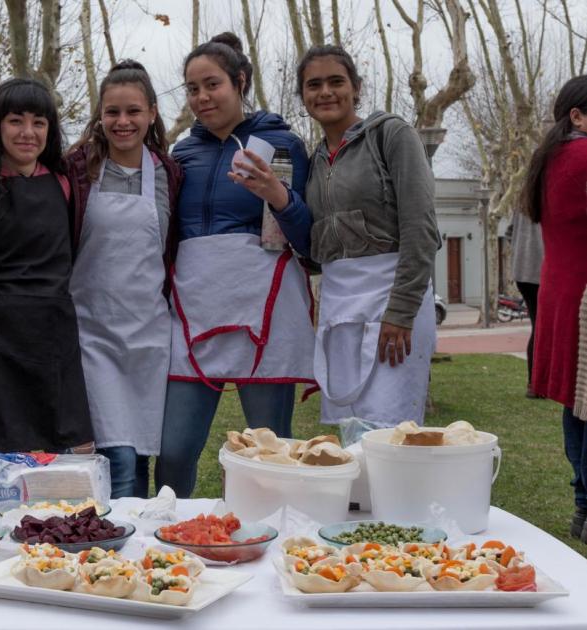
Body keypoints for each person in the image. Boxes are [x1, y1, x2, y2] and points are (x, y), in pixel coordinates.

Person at [155, 33, 316, 498]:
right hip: (194, 306)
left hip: (264, 305)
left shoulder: (284, 145)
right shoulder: (182, 152)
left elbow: (308, 241)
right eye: (191, 88)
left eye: (212, 85)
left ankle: (278, 539)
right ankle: (170, 533)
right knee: (174, 450)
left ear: (240, 81)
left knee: (271, 451)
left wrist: (279, 197)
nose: (202, 98)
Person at [295, 45, 439, 426]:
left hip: (392, 304)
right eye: (314, 85)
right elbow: (316, 248)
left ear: (356, 88)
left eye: (336, 81)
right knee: (345, 429)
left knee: (389, 432)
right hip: (338, 307)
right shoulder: (313, 163)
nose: (325, 92)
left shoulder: (391, 135)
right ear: (303, 96)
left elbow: (421, 230)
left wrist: (401, 312)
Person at [0, 78, 94, 454]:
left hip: (57, 343)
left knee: (76, 469)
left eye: (39, 122)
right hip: (0, 350)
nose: (28, 132)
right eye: (16, 120)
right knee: (8, 480)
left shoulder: (64, 185)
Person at [66, 61, 183, 498]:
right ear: (100, 116)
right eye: (112, 112)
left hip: (149, 333)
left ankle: (130, 549)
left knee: (139, 450)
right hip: (90, 330)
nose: (123, 122)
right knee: (113, 451)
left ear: (152, 113)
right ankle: (114, 540)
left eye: (133, 111)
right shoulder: (78, 170)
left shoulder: (169, 175)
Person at [521, 75, 587, 541]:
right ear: (578, 115)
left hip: (564, 290)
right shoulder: (583, 156)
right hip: (584, 295)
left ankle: (583, 505)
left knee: (577, 402)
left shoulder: (551, 159)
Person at [508, 209, 543, 397]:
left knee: (537, 326)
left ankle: (535, 383)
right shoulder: (546, 198)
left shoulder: (522, 201)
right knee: (540, 327)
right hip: (539, 271)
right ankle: (535, 384)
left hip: (522, 272)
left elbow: (509, 232)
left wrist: (519, 253)